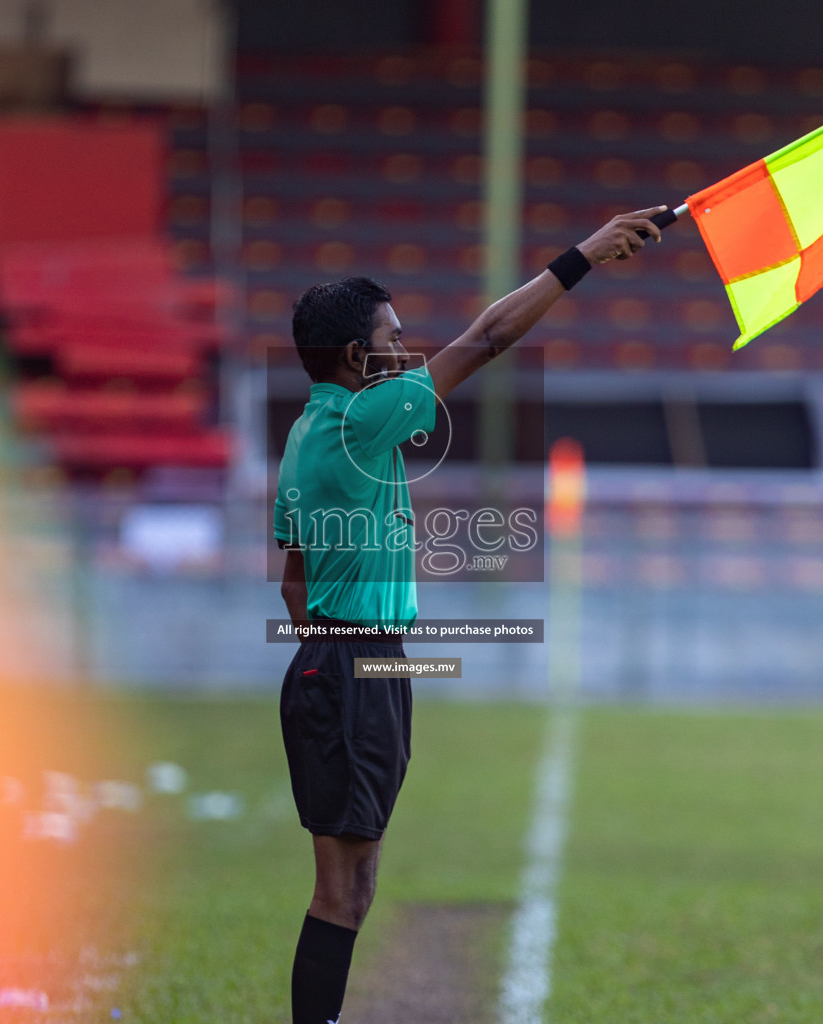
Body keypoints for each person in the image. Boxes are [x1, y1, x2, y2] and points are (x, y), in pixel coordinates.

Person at [274, 206, 671, 1024]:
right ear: (355, 357)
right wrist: (584, 256)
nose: (406, 348)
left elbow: (291, 578)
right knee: (340, 892)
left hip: (352, 665)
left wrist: (337, 652)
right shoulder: (356, 421)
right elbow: (488, 338)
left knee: (357, 885)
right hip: (353, 668)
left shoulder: (311, 428)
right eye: (392, 337)